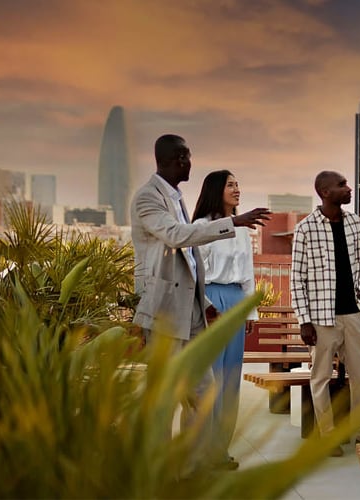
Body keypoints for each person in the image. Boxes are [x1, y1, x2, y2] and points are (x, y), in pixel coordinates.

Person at [130, 134, 270, 472]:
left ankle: (193, 464)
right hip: (165, 311)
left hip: (191, 309)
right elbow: (177, 237)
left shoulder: (174, 196)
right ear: (177, 159)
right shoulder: (148, 197)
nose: (191, 162)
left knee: (205, 390)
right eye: (187, 156)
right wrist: (233, 222)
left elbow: (189, 260)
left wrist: (202, 300)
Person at [290, 170, 360, 457]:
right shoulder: (306, 229)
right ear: (325, 192)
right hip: (320, 317)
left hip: (353, 314)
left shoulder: (355, 223)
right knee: (320, 378)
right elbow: (296, 279)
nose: (348, 188)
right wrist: (304, 320)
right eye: (342, 185)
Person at [191, 169, 258, 469]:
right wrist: (206, 305)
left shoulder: (242, 229)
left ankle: (221, 451)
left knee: (231, 378)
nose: (237, 189)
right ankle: (201, 452)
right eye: (230, 184)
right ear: (216, 189)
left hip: (235, 302)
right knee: (210, 380)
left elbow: (248, 274)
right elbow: (193, 273)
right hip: (210, 303)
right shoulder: (201, 227)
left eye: (238, 183)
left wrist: (250, 310)